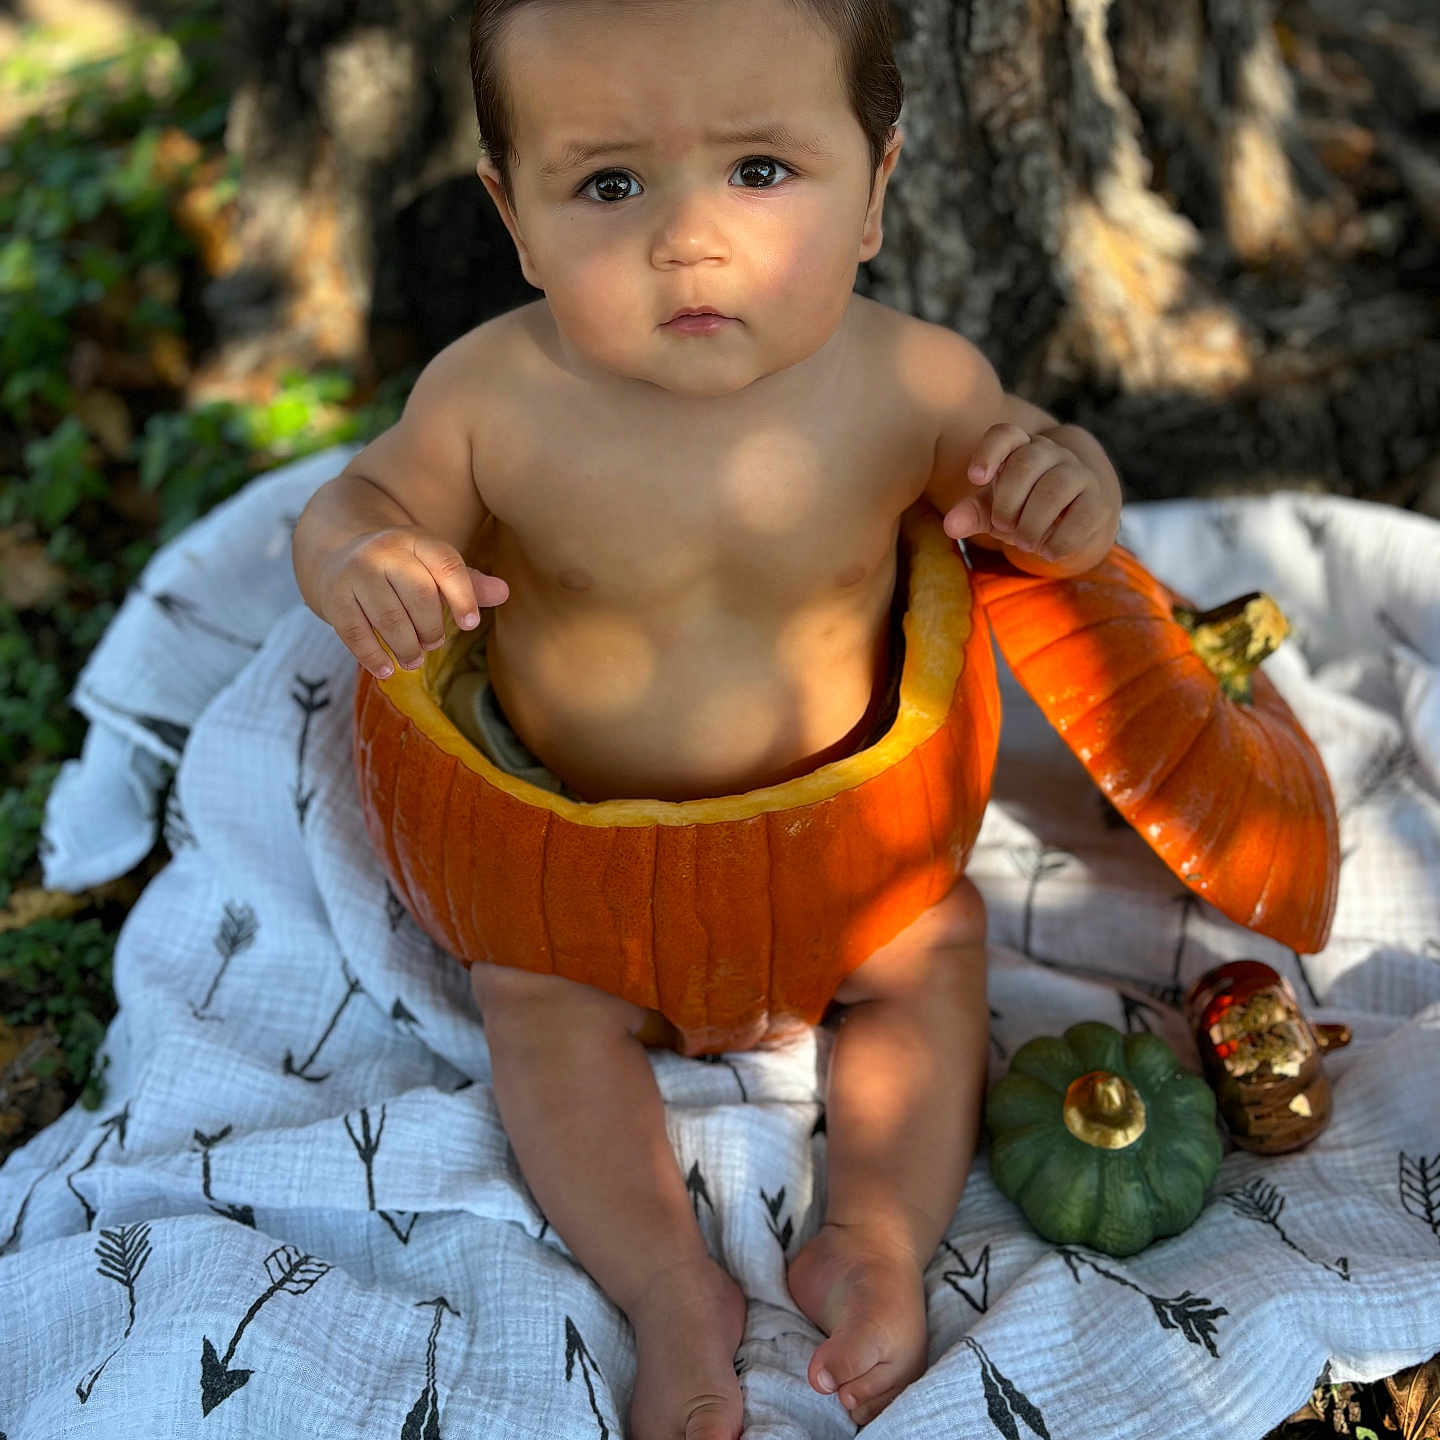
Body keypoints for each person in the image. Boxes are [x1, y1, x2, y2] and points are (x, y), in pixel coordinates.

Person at [293, 0, 1122, 1433]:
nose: (690, 239)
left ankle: (874, 1234)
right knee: (533, 1008)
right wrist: (365, 558)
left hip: (856, 846)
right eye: (608, 185)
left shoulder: (913, 385)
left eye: (759, 171)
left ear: (875, 185)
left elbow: (1045, 501)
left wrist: (1067, 491)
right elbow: (353, 506)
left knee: (932, 952)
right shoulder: (495, 399)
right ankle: (669, 1286)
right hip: (576, 867)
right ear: (516, 214)